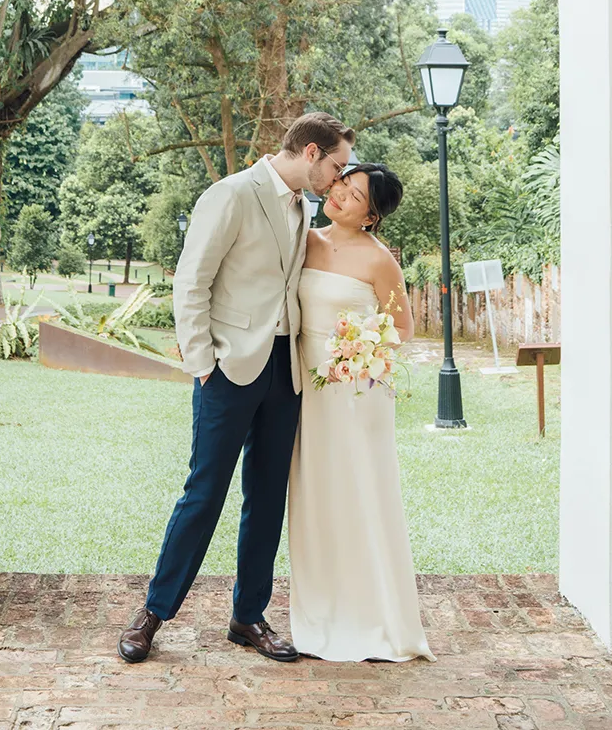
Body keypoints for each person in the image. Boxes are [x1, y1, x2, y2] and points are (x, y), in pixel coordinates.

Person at [117, 111, 355, 664]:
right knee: (204, 493)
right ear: (313, 153)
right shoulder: (230, 194)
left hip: (284, 369)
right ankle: (153, 613)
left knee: (268, 497)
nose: (339, 179)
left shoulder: (302, 207)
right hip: (229, 368)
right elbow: (191, 280)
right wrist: (203, 363)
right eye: (338, 166)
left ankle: (248, 617)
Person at [288, 162, 434, 662]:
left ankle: (374, 615)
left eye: (354, 196)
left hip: (356, 393)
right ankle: (320, 610)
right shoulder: (305, 239)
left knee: (361, 494)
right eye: (341, 186)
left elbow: (402, 327)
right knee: (315, 496)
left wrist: (360, 352)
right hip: (307, 390)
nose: (340, 197)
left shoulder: (379, 260)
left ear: (371, 216)